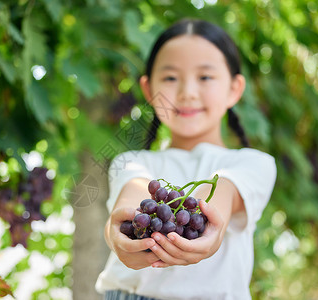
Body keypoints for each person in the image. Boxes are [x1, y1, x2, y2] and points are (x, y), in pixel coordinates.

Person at [95, 19, 277, 300]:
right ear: (148, 89)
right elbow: (132, 195)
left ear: (234, 89)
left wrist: (206, 224)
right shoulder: (130, 160)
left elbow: (221, 193)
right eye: (170, 78)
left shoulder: (254, 163)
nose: (187, 93)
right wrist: (115, 235)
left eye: (205, 77)